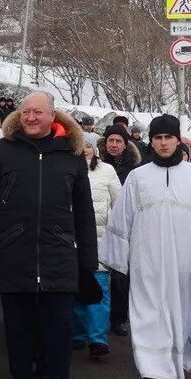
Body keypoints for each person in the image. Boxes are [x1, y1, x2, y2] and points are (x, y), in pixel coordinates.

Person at [0, 91, 97, 379]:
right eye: (26, 112)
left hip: (59, 258)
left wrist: (88, 262)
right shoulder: (2, 151)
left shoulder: (70, 155)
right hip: (14, 257)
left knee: (59, 339)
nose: (30, 118)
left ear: (52, 115)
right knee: (18, 337)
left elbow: (84, 212)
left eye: (37, 112)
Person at [104, 115, 191, 379]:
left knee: (181, 318)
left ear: (177, 140)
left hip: (186, 265)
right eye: (157, 138)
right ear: (152, 141)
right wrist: (117, 263)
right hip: (148, 264)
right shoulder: (137, 177)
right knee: (150, 319)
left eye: (168, 137)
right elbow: (122, 220)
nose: (163, 143)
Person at [73, 132, 121, 361]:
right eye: (81, 146)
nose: (85, 150)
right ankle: (77, 333)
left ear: (95, 149)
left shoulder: (107, 171)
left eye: (88, 146)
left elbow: (119, 203)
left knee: (100, 288)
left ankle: (98, 339)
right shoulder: (68, 167)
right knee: (76, 287)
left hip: (101, 239)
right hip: (73, 238)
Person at [100, 123, 141, 337]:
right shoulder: (96, 164)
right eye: (110, 141)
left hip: (125, 227)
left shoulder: (134, 170)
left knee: (120, 274)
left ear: (126, 145)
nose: (114, 145)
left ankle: (119, 317)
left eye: (118, 141)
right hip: (99, 225)